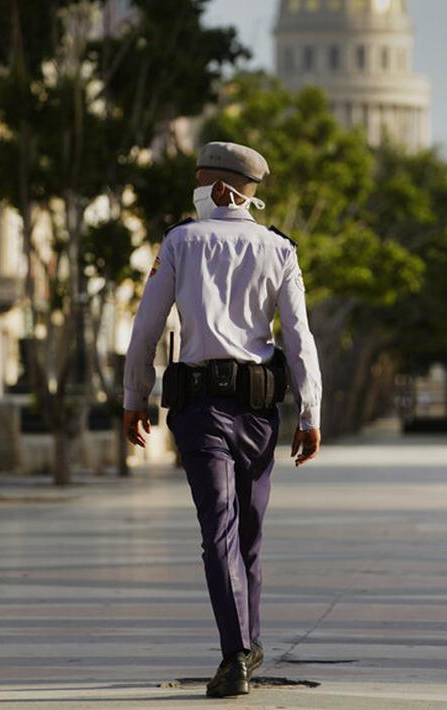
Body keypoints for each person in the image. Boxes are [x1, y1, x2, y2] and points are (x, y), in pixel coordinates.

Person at [122, 141, 323, 699]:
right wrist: (310, 412)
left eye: (199, 179)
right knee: (240, 533)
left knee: (226, 533)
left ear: (219, 190)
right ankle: (237, 651)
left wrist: (132, 397)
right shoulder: (280, 249)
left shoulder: (181, 242)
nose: (195, 189)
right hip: (260, 413)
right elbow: (300, 339)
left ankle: (245, 647)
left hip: (202, 411)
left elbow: (146, 327)